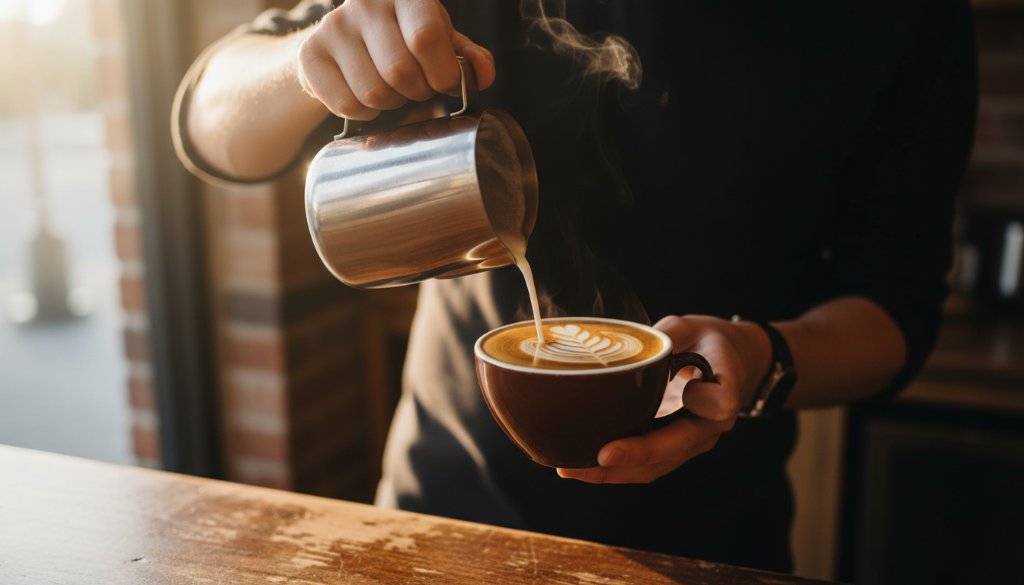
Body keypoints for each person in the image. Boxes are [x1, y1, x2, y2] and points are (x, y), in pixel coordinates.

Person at [173, 0, 977, 572]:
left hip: (708, 540)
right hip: (440, 516)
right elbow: (209, 123)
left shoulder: (899, 17)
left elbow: (895, 309)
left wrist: (761, 357)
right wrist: (305, 62)